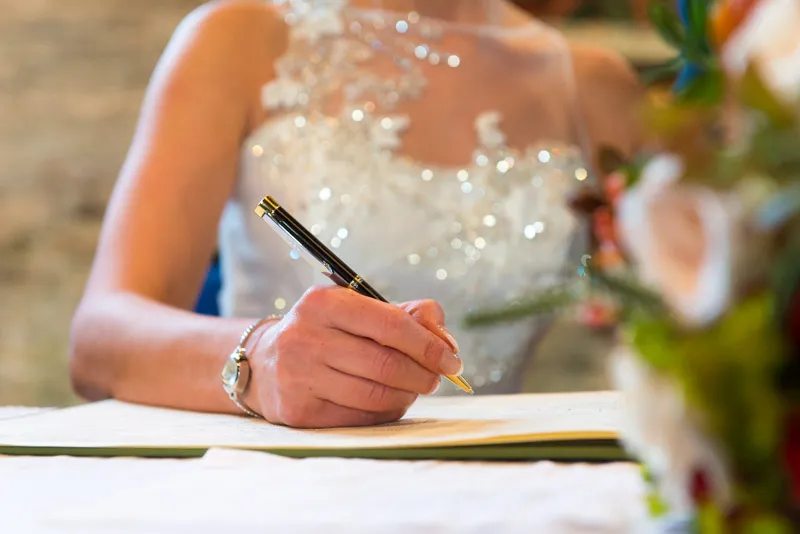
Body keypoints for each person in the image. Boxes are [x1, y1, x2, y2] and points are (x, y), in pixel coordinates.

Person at [68, 0, 643, 428]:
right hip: (280, 483)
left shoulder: (597, 88)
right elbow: (99, 340)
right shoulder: (241, 38)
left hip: (503, 493)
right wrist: (260, 358)